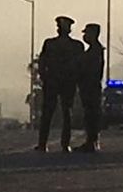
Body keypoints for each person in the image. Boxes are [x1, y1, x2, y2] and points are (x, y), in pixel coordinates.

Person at [37, 15, 84, 153]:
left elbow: (79, 65)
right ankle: (56, 143)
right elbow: (42, 61)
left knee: (59, 113)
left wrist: (44, 76)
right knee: (57, 113)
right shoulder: (73, 46)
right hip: (58, 81)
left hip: (61, 82)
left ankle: (47, 143)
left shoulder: (73, 46)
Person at [75, 23, 104, 153]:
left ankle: (92, 141)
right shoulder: (92, 50)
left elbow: (92, 71)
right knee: (90, 115)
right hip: (88, 86)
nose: (85, 36)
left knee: (92, 115)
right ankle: (91, 140)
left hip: (91, 87)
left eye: (87, 33)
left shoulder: (95, 51)